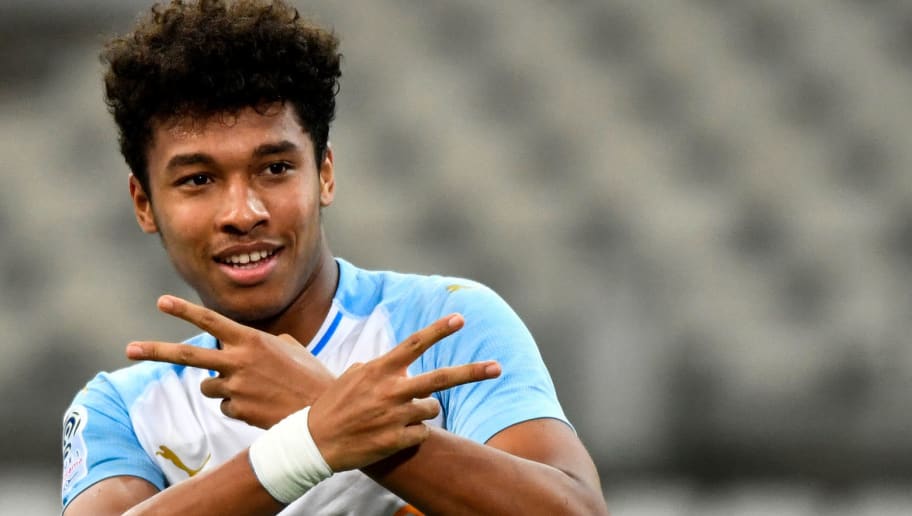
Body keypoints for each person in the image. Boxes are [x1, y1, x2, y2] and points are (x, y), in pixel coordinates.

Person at [60, 1, 609, 514]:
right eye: (198, 179)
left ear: (324, 174)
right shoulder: (122, 409)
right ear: (144, 203)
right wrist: (311, 441)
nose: (243, 212)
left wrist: (320, 406)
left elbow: (575, 509)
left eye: (275, 168)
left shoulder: (446, 325)